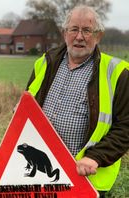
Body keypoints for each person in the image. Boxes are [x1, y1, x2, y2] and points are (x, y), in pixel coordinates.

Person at [26, 5, 129, 197]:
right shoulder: (44, 63)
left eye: (87, 30)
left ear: (98, 36)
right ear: (64, 33)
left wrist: (96, 156)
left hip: (85, 178)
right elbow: (28, 105)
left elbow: (126, 125)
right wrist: (22, 111)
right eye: (74, 29)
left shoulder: (118, 72)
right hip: (43, 174)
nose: (79, 37)